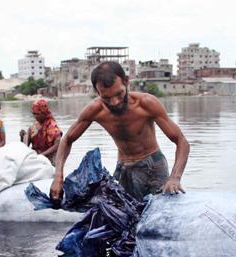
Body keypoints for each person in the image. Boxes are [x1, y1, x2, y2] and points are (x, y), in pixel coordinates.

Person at [50, 61, 190, 202]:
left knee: (157, 216)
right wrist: (58, 176)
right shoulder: (95, 110)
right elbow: (67, 139)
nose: (115, 102)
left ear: (126, 82)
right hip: (124, 169)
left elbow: (181, 141)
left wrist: (175, 178)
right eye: (106, 98)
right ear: (97, 92)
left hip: (152, 165)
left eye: (119, 94)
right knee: (126, 214)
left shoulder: (146, 103)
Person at [20, 99, 62, 165]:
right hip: (35, 158)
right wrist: (22, 138)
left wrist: (41, 155)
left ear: (44, 113)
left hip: (50, 159)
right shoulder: (33, 127)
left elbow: (57, 145)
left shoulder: (53, 127)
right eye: (34, 114)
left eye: (38, 114)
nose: (35, 116)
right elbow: (25, 146)